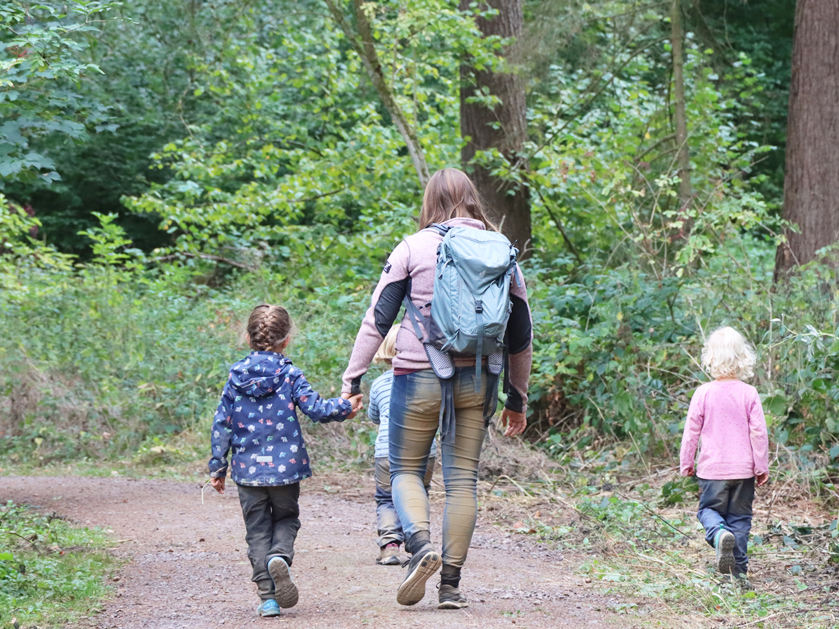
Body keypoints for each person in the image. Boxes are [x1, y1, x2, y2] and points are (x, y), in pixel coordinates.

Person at [342, 168, 533, 609]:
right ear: (473, 199)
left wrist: (353, 380)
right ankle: (450, 585)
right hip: (480, 380)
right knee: (463, 482)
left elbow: (378, 320)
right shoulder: (502, 251)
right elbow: (522, 333)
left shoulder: (413, 247)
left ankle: (421, 546)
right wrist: (517, 398)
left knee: (405, 470)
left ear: (430, 201)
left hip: (417, 376)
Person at [209, 304, 361, 617]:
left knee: (257, 531)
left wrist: (218, 466)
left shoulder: (236, 376)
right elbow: (317, 408)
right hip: (285, 468)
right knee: (287, 518)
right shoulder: (290, 374)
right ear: (286, 340)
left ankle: (268, 598)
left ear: (248, 339)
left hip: (248, 470)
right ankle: (279, 555)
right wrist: (346, 407)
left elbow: (222, 422)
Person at [679, 326, 769, 583]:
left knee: (708, 510)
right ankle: (737, 575)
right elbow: (759, 433)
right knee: (740, 519)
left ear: (710, 358)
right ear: (743, 357)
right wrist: (761, 466)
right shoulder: (749, 393)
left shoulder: (703, 392)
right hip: (743, 471)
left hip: (712, 470)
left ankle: (719, 535)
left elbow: (691, 431)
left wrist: (687, 461)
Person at [369, 325, 437, 566]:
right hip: (425, 450)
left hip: (386, 451)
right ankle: (419, 542)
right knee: (419, 492)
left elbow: (374, 416)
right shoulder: (432, 382)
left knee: (387, 498)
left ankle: (389, 546)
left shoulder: (379, 383)